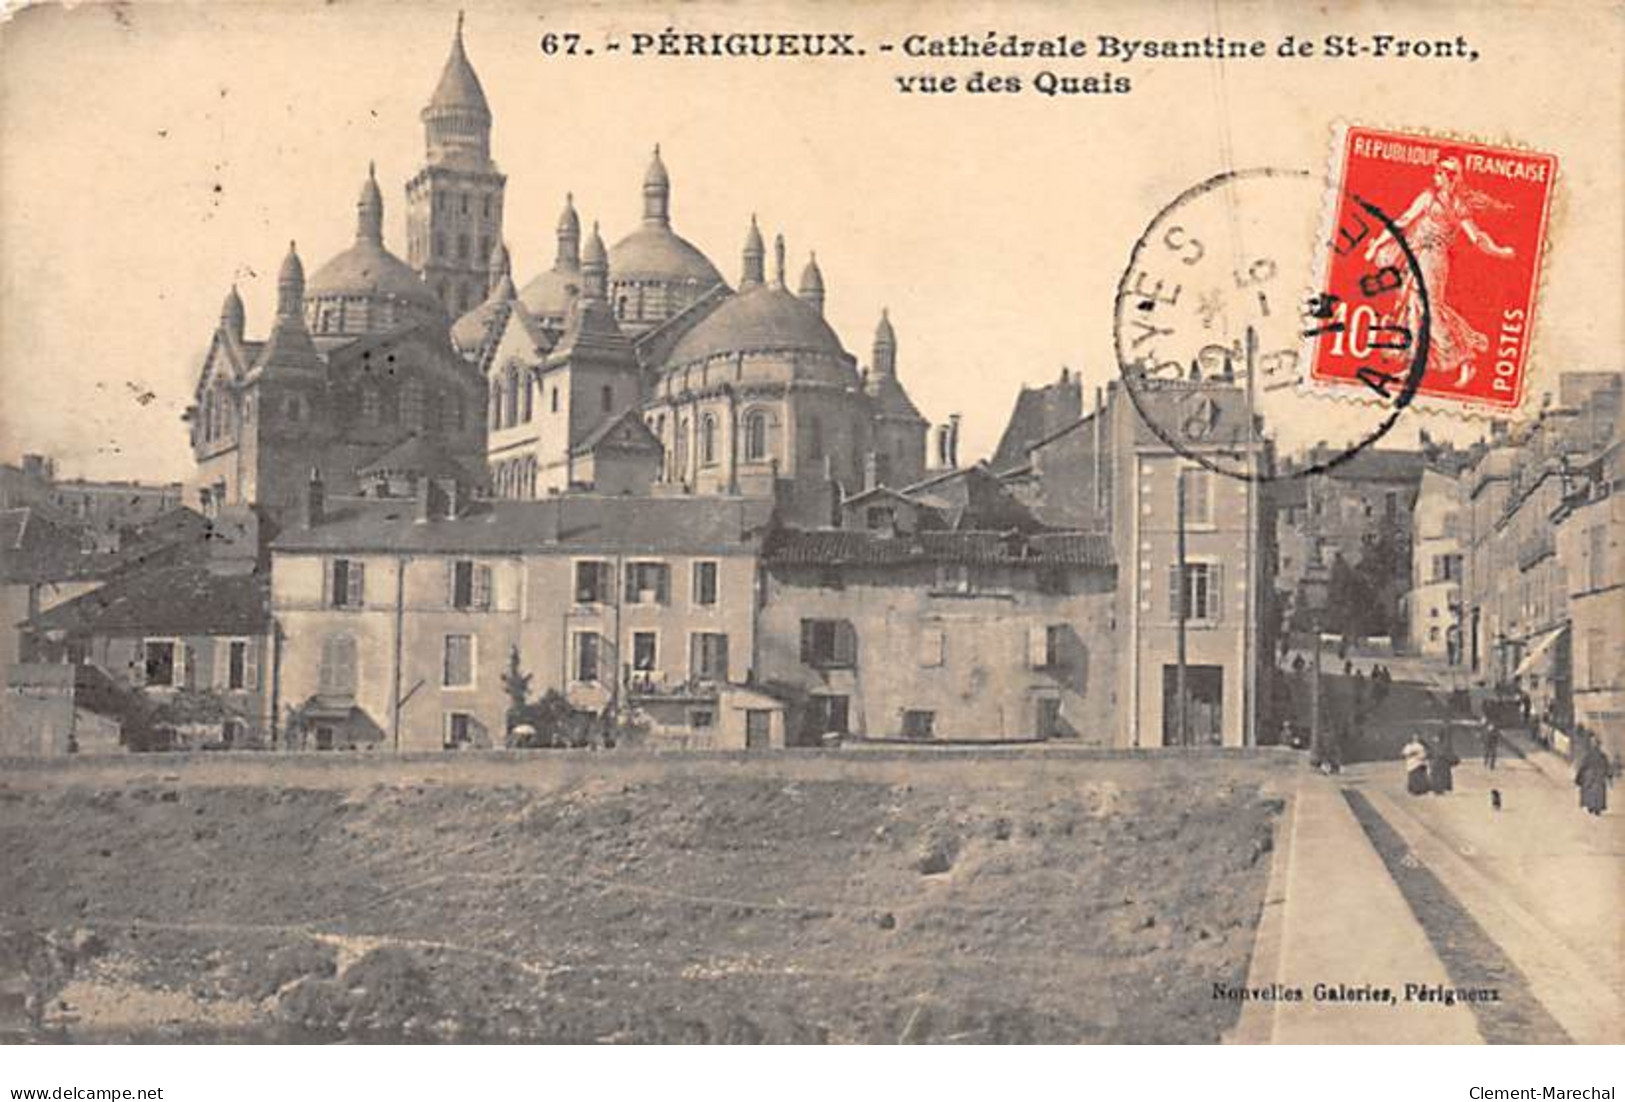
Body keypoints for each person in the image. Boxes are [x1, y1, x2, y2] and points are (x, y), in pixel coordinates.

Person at [1575, 735, 1612, 817]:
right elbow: (1583, 766)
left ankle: (1593, 807)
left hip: (1592, 777)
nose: (1594, 745)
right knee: (1595, 792)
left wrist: (1578, 777)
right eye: (1593, 743)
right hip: (1595, 777)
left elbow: (1582, 766)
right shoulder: (1600, 756)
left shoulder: (1594, 755)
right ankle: (1594, 808)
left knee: (1593, 792)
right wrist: (1609, 776)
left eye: (1595, 743)